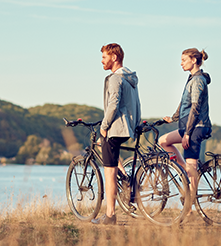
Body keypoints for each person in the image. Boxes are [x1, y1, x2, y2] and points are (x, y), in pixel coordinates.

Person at [91, 43, 141, 225]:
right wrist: (135, 125)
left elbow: (113, 105)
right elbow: (137, 105)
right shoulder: (131, 79)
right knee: (110, 157)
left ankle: (110, 216)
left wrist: (104, 126)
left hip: (115, 129)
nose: (102, 61)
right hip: (127, 128)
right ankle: (126, 179)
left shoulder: (114, 78)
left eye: (104, 57)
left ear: (113, 57)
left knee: (109, 173)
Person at [158, 48, 212, 209]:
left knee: (192, 167)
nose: (181, 63)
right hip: (190, 127)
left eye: (184, 60)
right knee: (163, 141)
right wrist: (173, 118)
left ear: (194, 60)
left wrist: (187, 134)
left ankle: (189, 208)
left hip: (197, 128)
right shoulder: (192, 79)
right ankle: (183, 169)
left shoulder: (198, 80)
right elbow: (184, 104)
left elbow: (195, 108)